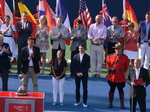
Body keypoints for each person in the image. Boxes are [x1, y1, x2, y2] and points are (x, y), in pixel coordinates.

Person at [106, 42, 129, 109]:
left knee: (121, 90)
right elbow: (107, 65)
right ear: (115, 49)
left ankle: (122, 103)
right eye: (117, 49)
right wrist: (110, 69)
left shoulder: (125, 57)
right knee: (111, 89)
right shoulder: (110, 56)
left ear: (122, 49)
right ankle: (110, 102)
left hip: (121, 76)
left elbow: (127, 67)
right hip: (112, 76)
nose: (118, 50)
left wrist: (125, 75)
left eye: (119, 49)